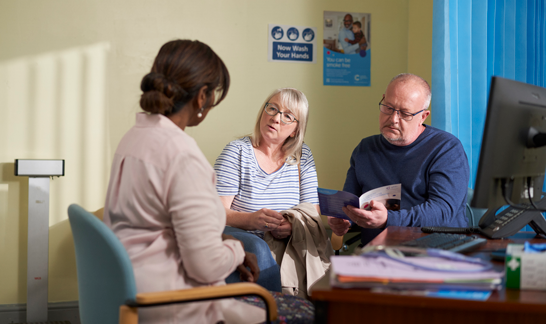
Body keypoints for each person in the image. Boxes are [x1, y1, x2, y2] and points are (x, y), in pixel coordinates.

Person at [103, 40, 267, 323]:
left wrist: (223, 239)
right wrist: (238, 249)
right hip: (173, 303)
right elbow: (205, 268)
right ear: (202, 96)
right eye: (214, 93)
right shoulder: (182, 156)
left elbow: (153, 225)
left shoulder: (134, 138)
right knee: (275, 312)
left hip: (127, 291)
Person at [328, 73, 470, 246]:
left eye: (404, 113)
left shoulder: (446, 149)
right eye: (388, 107)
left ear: (423, 116)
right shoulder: (365, 149)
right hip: (378, 255)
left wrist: (388, 219)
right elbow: (351, 201)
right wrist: (344, 220)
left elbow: (442, 211)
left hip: (435, 252)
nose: (393, 119)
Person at [214, 88, 323, 293]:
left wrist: (292, 226)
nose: (275, 118)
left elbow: (312, 212)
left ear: (295, 130)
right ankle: (274, 311)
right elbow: (214, 212)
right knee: (259, 249)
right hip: (242, 236)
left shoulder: (302, 155)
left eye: (287, 116)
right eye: (272, 108)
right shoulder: (236, 152)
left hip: (286, 243)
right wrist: (251, 220)